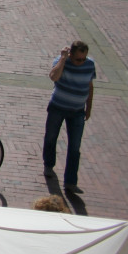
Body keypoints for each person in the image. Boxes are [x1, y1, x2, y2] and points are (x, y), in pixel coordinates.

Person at [43, 41, 96, 194]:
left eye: (84, 58)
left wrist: (89, 107)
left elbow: (90, 86)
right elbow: (53, 77)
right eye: (78, 59)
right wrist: (62, 59)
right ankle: (49, 164)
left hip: (77, 111)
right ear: (71, 54)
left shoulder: (89, 65)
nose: (81, 62)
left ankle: (71, 182)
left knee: (74, 147)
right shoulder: (61, 62)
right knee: (51, 137)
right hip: (57, 107)